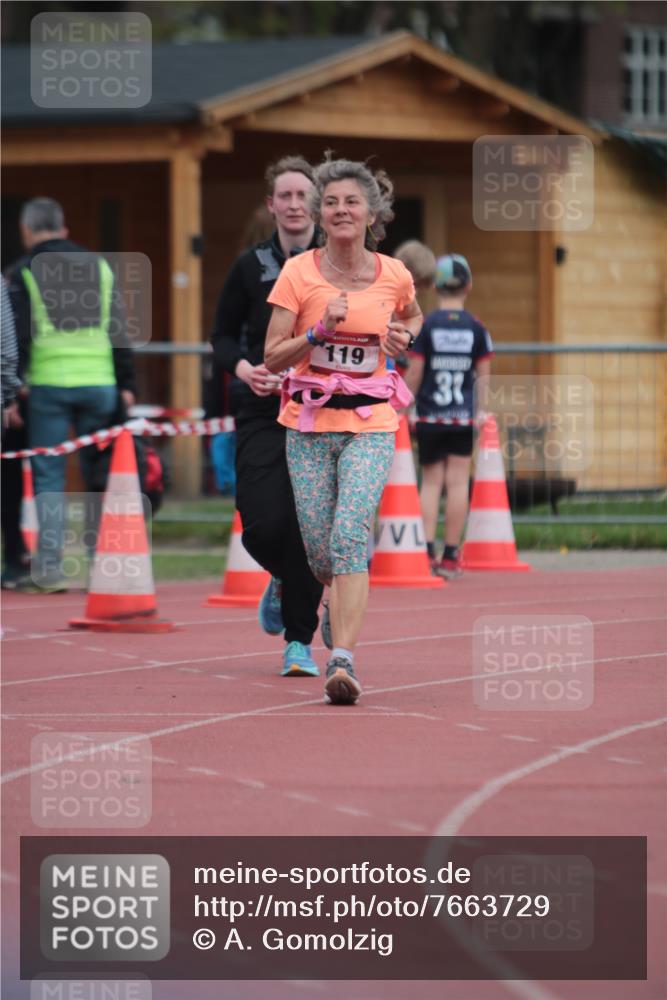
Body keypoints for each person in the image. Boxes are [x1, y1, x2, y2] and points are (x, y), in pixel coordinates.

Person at [264, 156, 422, 705]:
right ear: (317, 213)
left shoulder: (394, 274)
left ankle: (343, 660)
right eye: (330, 202)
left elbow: (413, 317)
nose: (340, 210)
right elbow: (273, 354)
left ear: (371, 212)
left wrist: (402, 335)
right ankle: (306, 587)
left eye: (351, 201)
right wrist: (317, 331)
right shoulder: (298, 273)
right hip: (307, 424)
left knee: (350, 533)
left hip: (372, 423)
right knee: (320, 552)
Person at [210, 156, 324, 678]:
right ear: (271, 204)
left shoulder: (337, 264)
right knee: (261, 522)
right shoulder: (249, 266)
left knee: (309, 526)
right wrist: (242, 368)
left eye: (304, 195)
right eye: (286, 196)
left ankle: (298, 639)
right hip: (262, 404)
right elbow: (222, 335)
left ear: (316, 204)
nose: (295, 204)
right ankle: (282, 576)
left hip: (323, 407)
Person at [6, 197, 136, 592]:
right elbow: (119, 327)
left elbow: (17, 336)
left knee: (49, 476)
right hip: (99, 382)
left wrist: (12, 390)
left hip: (48, 385)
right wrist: (127, 384)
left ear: (26, 231)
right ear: (63, 227)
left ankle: (50, 570)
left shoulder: (21, 271)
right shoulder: (98, 266)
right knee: (98, 474)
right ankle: (102, 565)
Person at [404, 253, 493, 580]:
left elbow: (415, 373)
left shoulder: (426, 327)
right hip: (462, 418)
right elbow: (484, 376)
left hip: (429, 416)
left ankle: (426, 551)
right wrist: (480, 411)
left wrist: (405, 406)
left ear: (436, 287)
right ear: (468, 286)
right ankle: (452, 555)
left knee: (430, 482)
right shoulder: (477, 329)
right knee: (457, 482)